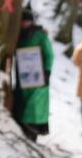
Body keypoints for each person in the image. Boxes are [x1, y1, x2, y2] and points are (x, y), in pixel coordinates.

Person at [11, 7, 53, 140]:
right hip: (22, 75)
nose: (25, 24)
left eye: (27, 21)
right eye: (23, 21)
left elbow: (49, 54)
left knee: (35, 105)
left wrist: (47, 71)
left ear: (31, 22)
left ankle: (32, 133)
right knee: (22, 101)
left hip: (38, 77)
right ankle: (22, 129)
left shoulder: (39, 35)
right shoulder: (18, 34)